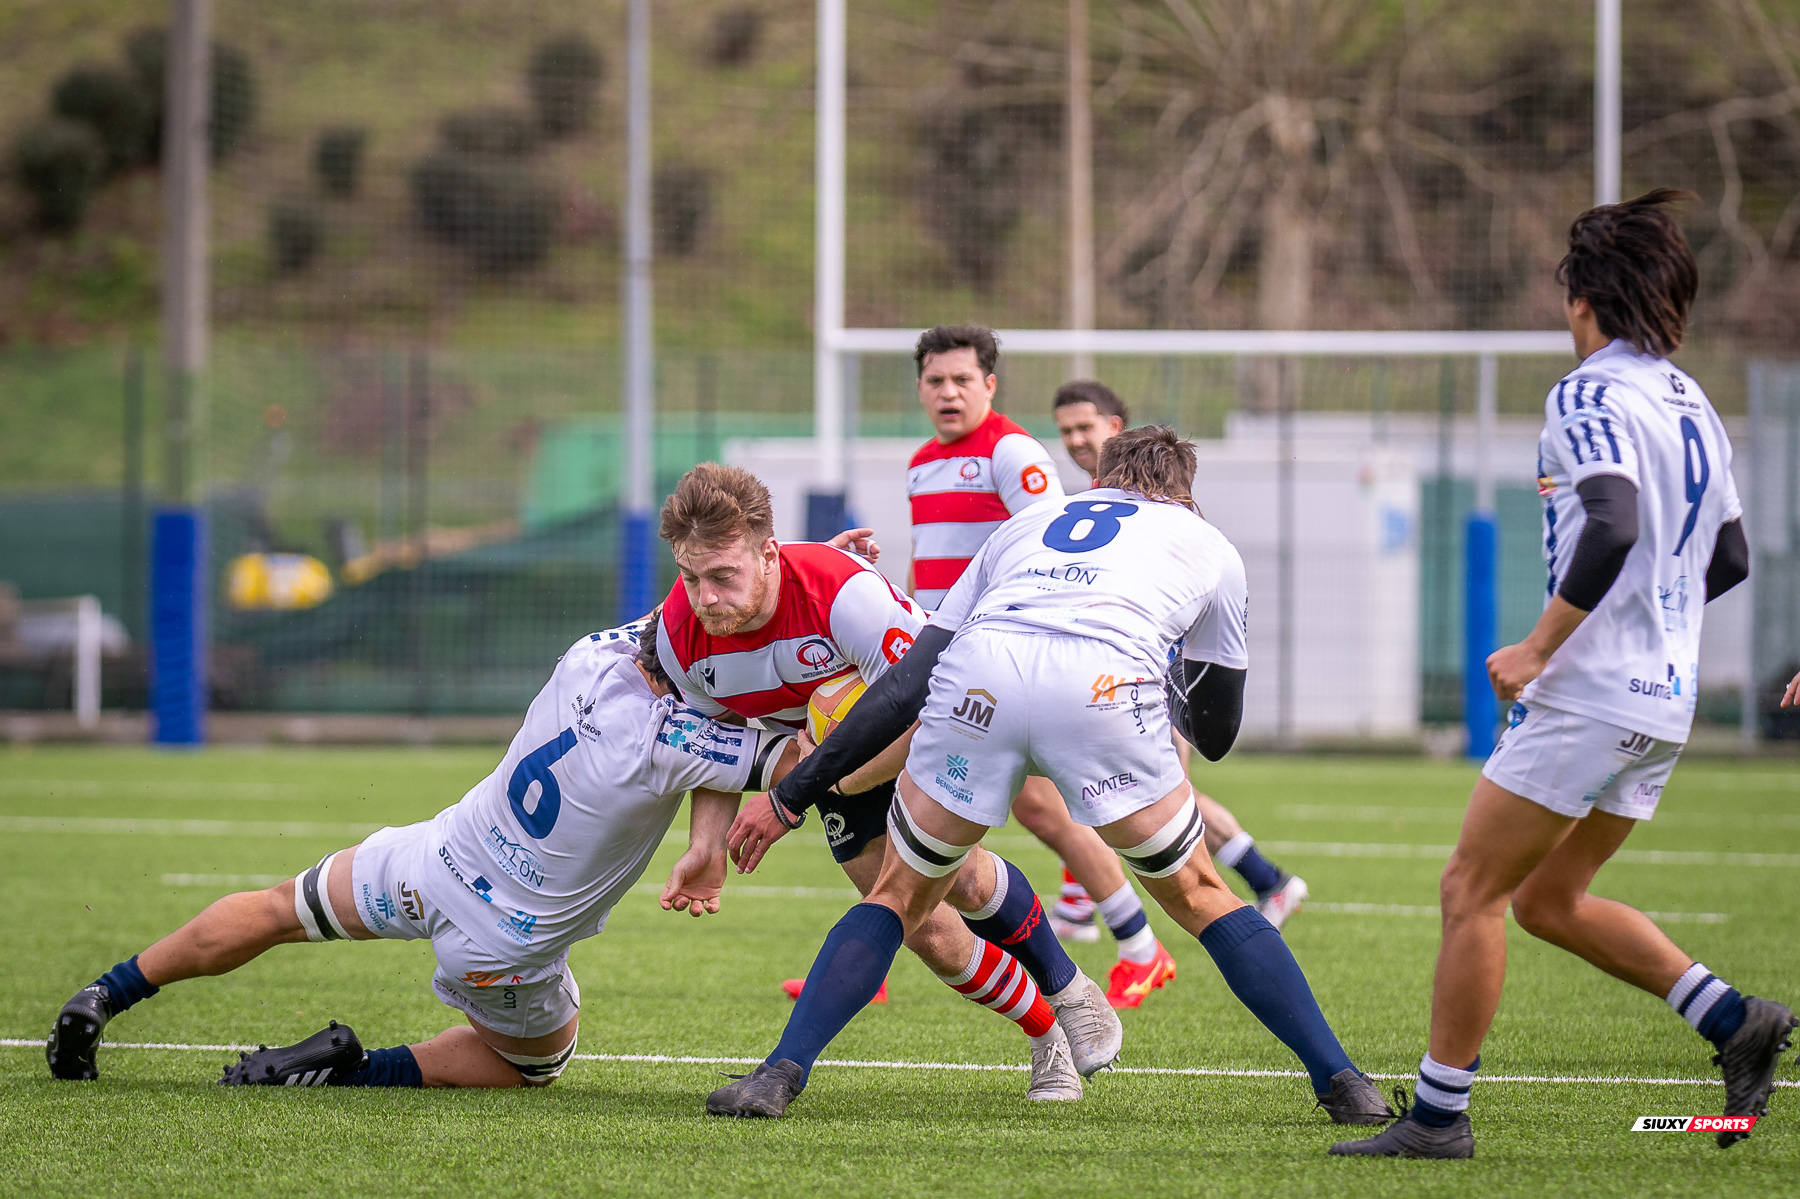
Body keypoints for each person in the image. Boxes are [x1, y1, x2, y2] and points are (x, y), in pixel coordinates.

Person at [706, 426, 1394, 1124]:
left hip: (983, 677)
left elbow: (907, 682)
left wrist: (789, 796)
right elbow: (1216, 735)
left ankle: (777, 1077)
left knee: (900, 895)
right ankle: (1343, 1083)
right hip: (1102, 686)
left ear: (1098, 482)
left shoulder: (1026, 524)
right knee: (1200, 893)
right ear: (1185, 494)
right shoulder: (1209, 544)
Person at [1332, 190, 1788, 1159]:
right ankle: (1734, 1018)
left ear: (1580, 298)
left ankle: (1437, 1117)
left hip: (1589, 691)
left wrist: (1542, 647)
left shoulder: (1588, 392)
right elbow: (1732, 556)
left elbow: (1613, 519)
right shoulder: (1693, 401)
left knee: (1470, 889)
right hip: (1664, 698)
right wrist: (1654, 631)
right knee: (1548, 898)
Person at [46, 616, 796, 1089]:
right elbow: (803, 759)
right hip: (499, 942)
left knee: (279, 908)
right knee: (532, 1065)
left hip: (434, 855)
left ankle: (105, 994)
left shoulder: (592, 652)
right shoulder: (672, 739)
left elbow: (694, 619)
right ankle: (349, 1071)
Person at [653, 462, 1117, 1102]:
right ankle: (1048, 1031)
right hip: (822, 763)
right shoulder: (679, 635)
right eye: (690, 577)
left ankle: (1071, 991)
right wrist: (705, 846)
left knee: (961, 879)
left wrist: (824, 782)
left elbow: (924, 702)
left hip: (926, 725)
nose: (705, 598)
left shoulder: (844, 595)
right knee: (930, 933)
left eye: (722, 576)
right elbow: (719, 741)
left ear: (769, 554)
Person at [905, 325, 1178, 1010]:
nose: (948, 392)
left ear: (989, 385)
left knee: (1037, 810)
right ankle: (1139, 946)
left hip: (998, 661)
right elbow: (929, 561)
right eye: (936, 380)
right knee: (915, 805)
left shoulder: (1011, 451)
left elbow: (1052, 548)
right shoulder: (921, 461)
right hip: (942, 657)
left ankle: (1141, 946)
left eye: (962, 380)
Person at [1051, 380, 1309, 934]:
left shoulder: (1145, 492)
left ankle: (1264, 885)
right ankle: (1081, 904)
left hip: (1150, 673)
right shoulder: (1092, 497)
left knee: (1158, 794)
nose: (1074, 440)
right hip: (1109, 673)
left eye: (1084, 427)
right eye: (1065, 430)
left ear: (1114, 429)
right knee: (1102, 782)